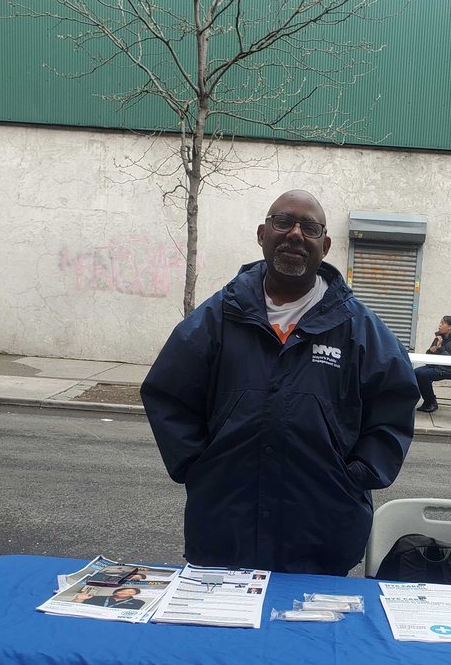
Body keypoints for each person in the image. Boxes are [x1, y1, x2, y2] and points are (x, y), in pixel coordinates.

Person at [141, 189, 420, 576]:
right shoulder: (218, 317)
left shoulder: (359, 328)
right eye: (284, 222)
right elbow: (167, 394)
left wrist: (354, 476)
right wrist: (200, 466)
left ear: (324, 245)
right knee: (222, 634)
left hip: (322, 532)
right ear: (262, 233)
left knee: (309, 634)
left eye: (309, 227)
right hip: (225, 527)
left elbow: (395, 405)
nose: (295, 234)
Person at [414, 315, 451, 413]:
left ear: (450, 326)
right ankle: (428, 400)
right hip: (437, 367)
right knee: (415, 372)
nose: (439, 326)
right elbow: (427, 358)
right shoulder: (439, 338)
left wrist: (440, 348)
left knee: (423, 375)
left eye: (442, 323)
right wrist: (430, 351)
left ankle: (431, 402)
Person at [75, 586, 144, 610]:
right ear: (115, 592)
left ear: (135, 594)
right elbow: (79, 608)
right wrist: (79, 599)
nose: (124, 592)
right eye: (121, 591)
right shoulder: (95, 598)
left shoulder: (139, 602)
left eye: (130, 592)